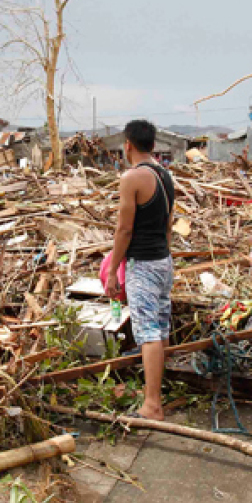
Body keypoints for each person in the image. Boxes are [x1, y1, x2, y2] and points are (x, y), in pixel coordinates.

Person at [105, 119, 175, 421]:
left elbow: (124, 229)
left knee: (148, 333)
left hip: (142, 265)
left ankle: (152, 404)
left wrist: (112, 270)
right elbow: (168, 224)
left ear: (128, 145)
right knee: (160, 327)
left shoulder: (132, 178)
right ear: (153, 145)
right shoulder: (165, 175)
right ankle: (158, 389)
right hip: (163, 261)